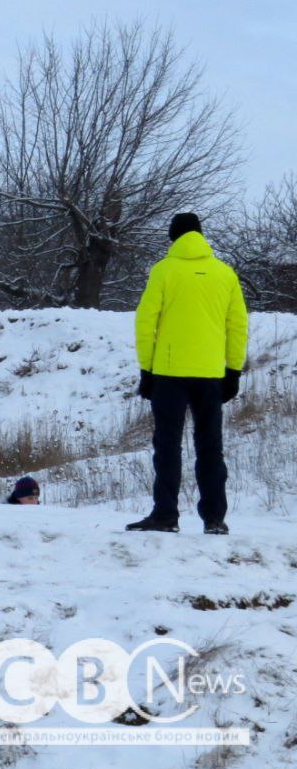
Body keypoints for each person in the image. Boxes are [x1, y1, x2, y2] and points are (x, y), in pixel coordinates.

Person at [127, 212, 248, 535]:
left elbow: (145, 322)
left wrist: (147, 369)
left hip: (169, 373)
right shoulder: (225, 274)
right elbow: (237, 325)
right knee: (210, 446)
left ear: (173, 237)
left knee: (167, 446)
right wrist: (233, 370)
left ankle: (166, 515)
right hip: (210, 373)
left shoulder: (164, 271)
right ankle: (214, 519)